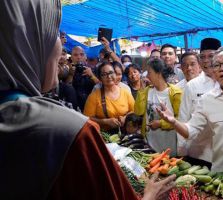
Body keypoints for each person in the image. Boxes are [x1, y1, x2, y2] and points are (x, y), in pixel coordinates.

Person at [0, 1, 175, 199]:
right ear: (28, 43)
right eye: (55, 33)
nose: (62, 45)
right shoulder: (68, 132)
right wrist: (150, 196)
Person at [177, 38, 220, 168]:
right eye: (202, 57)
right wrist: (181, 151)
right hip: (199, 152)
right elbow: (183, 118)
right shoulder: (192, 86)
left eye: (211, 56)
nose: (206, 61)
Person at [134, 59, 182, 156]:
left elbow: (181, 120)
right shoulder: (147, 91)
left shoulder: (175, 93)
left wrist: (160, 123)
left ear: (159, 73)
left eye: (150, 73)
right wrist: (141, 91)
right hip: (150, 142)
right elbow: (138, 112)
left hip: (170, 143)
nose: (147, 76)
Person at [83, 62, 135, 134]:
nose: (109, 76)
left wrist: (125, 118)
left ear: (115, 74)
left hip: (125, 135)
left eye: (111, 72)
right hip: (104, 136)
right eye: (104, 74)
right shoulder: (94, 96)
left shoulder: (125, 92)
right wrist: (105, 121)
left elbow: (134, 111)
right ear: (100, 78)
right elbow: (87, 119)